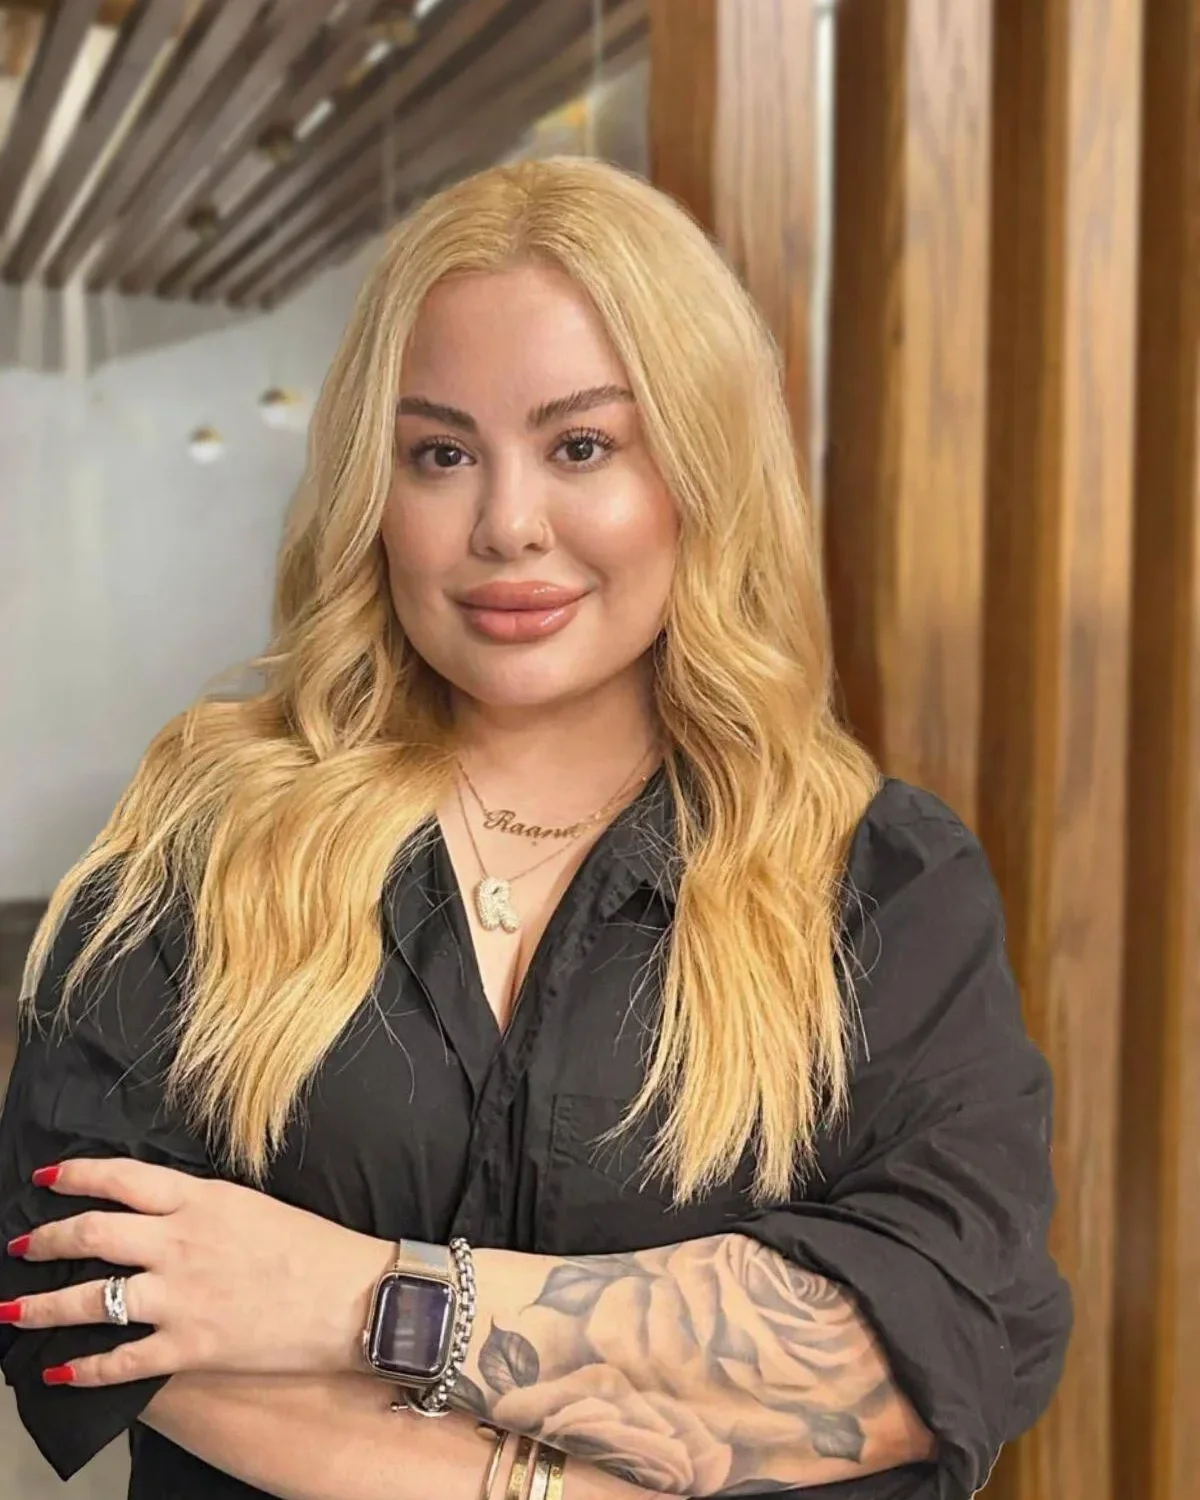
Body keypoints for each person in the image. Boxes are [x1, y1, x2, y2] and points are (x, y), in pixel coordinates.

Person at [0, 156, 1070, 1500]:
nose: (507, 526)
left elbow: (938, 1336)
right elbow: (91, 1302)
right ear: (369, 492)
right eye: (440, 455)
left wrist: (359, 1299)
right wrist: (549, 1485)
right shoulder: (202, 848)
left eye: (582, 446)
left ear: (697, 472)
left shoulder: (880, 879)